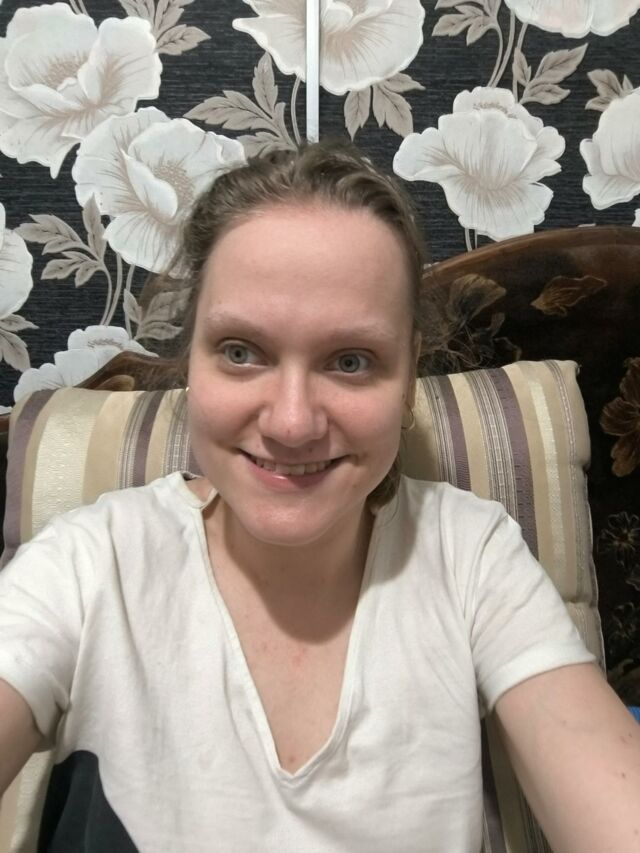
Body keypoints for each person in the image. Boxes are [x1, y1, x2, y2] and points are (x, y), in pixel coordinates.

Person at [0, 141, 638, 853]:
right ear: (190, 364)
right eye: (241, 351)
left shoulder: (472, 556)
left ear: (408, 378)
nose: (292, 422)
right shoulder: (90, 566)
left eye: (351, 361)